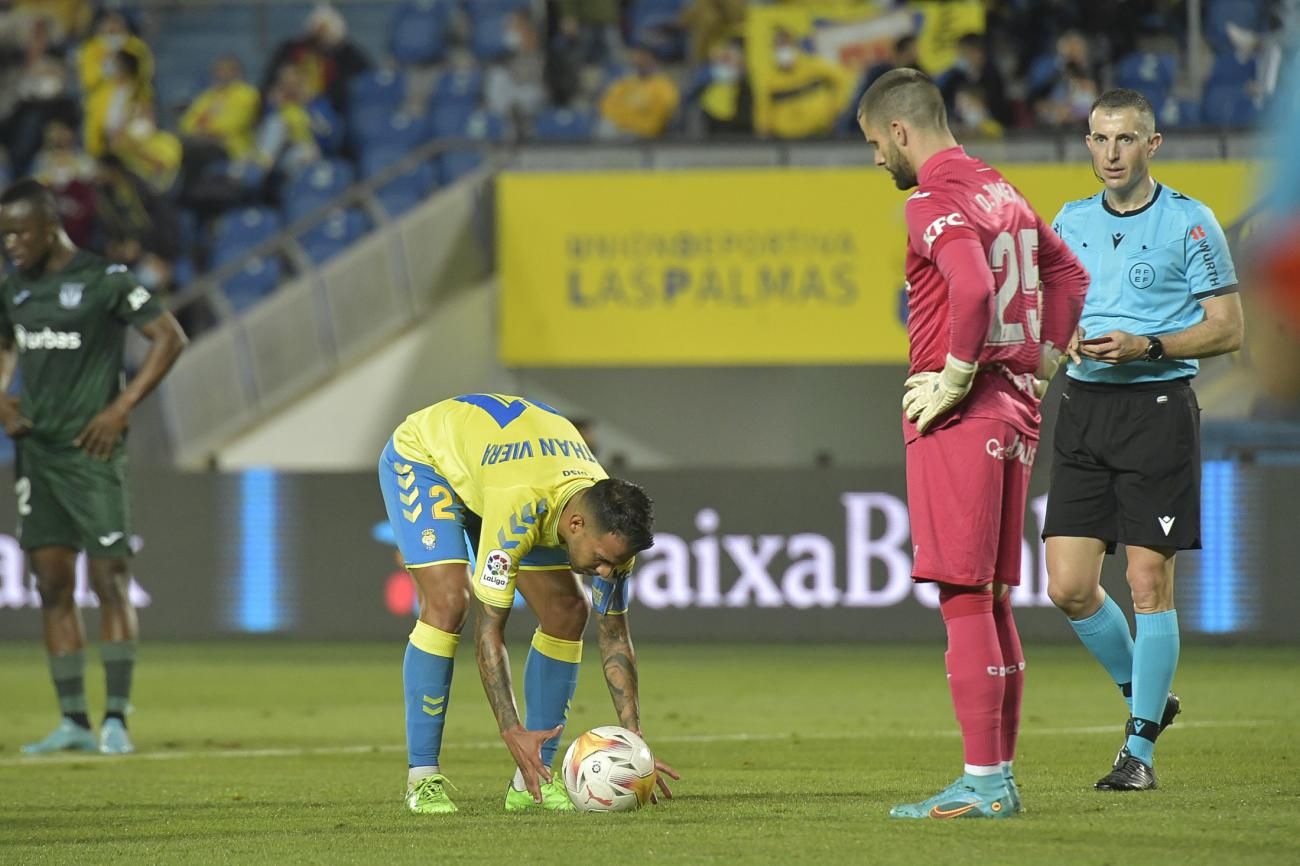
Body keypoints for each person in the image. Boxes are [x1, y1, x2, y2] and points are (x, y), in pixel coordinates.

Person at [856, 69, 1089, 819]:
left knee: (963, 595)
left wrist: (954, 376)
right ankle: (999, 776)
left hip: (964, 413)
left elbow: (972, 288)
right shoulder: (1001, 189)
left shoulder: (931, 199)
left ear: (899, 131)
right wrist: (1046, 359)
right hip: (1017, 410)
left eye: (872, 145)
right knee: (991, 598)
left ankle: (984, 783)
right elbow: (1068, 272)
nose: (875, 162)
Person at [1044, 88, 1244, 790]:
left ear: (1151, 145)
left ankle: (1140, 755)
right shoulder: (1068, 222)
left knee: (1145, 581)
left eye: (1124, 139)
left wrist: (1148, 343)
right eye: (1099, 139)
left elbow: (1228, 327)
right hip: (1084, 408)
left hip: (1157, 407)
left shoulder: (1190, 223)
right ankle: (1149, 699)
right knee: (1068, 587)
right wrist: (1058, 342)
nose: (1109, 153)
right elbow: (1052, 317)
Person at [377, 394, 679, 814]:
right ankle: (422, 778)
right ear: (575, 525)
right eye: (603, 560)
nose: (607, 572)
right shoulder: (521, 509)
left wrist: (635, 741)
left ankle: (531, 781)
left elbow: (614, 636)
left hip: (501, 470)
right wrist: (510, 728)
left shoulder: (606, 520)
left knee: (568, 612)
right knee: (449, 603)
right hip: (429, 461)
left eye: (618, 562)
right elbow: (489, 631)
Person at [0, 178, 187, 755]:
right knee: (52, 585)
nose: (10, 244)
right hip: (38, 453)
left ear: (49, 226)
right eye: (3, 234)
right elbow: (6, 347)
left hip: (94, 452)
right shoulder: (15, 289)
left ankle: (116, 721)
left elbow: (169, 337)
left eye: (19, 232)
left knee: (109, 581)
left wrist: (121, 408)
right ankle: (74, 722)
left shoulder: (103, 280)